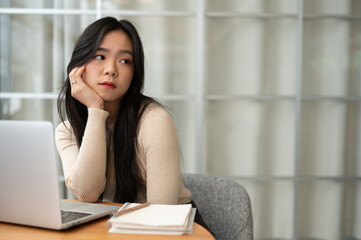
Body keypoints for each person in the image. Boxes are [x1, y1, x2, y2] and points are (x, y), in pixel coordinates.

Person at [55, 16, 212, 233]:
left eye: (124, 61)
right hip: (116, 229)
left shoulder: (154, 120)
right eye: (100, 56)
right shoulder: (67, 131)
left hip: (173, 231)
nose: (111, 69)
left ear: (134, 73)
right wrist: (95, 110)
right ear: (78, 67)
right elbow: (87, 193)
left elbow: (161, 215)